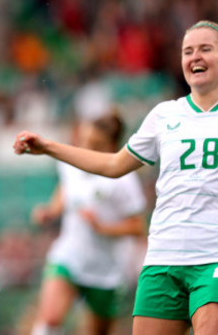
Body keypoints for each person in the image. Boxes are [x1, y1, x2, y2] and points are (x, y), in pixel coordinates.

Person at [13, 20, 218, 335]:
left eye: (205, 49)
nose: (194, 57)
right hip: (163, 259)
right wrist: (49, 147)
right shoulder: (164, 116)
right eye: (188, 51)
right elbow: (114, 164)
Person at [29, 112, 147, 335]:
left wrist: (103, 227)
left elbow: (137, 226)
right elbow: (65, 189)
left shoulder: (124, 180)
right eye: (83, 141)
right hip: (69, 258)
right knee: (50, 320)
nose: (85, 148)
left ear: (112, 146)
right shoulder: (70, 165)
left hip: (107, 271)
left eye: (95, 145)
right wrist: (51, 212)